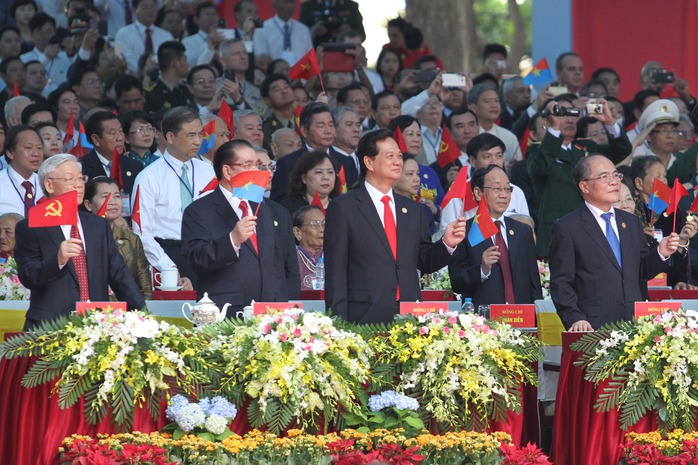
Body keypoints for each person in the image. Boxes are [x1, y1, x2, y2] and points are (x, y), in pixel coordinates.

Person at [324, 130, 466, 324]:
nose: (398, 161)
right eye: (390, 156)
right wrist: (337, 322)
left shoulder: (412, 209)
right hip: (364, 315)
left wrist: (447, 243)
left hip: (410, 316)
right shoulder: (344, 207)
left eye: (399, 156)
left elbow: (424, 261)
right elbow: (336, 271)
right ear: (369, 162)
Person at [14, 154, 145, 330]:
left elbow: (119, 274)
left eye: (81, 178)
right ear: (49, 185)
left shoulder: (98, 225)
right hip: (51, 325)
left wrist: (142, 315)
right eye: (70, 179)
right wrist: (57, 260)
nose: (78, 184)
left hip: (97, 323)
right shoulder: (31, 226)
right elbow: (28, 276)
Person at [549, 155, 677, 331]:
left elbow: (641, 271)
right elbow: (561, 283)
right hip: (593, 328)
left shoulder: (631, 222)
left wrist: (661, 253)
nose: (614, 182)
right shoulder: (568, 227)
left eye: (616, 175)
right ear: (584, 186)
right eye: (604, 177)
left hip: (634, 327)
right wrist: (574, 317)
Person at [181, 139, 287, 312]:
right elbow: (196, 259)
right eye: (248, 165)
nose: (255, 171)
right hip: (226, 309)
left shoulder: (262, 208)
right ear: (227, 171)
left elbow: (274, 262)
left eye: (257, 165)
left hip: (268, 310)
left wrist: (281, 305)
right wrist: (233, 240)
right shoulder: (199, 210)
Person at [527, 96, 632, 257]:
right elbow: (541, 168)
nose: (568, 118)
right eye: (560, 113)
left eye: (572, 113)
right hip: (557, 235)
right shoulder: (537, 152)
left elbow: (621, 151)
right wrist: (554, 129)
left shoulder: (586, 148)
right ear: (547, 120)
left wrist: (610, 123)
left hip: (591, 230)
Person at [132, 106, 214, 288]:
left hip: (207, 252)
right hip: (170, 253)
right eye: (191, 135)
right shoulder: (148, 177)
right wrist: (167, 267)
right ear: (170, 137)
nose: (198, 141)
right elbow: (141, 232)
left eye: (200, 134)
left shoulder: (210, 172)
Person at [449, 165, 542, 309]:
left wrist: (538, 317)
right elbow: (457, 282)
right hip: (484, 323)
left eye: (507, 189)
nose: (504, 195)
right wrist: (482, 269)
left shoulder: (523, 231)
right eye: (497, 189)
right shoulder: (464, 232)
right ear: (478, 193)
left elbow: (534, 283)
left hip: (522, 319)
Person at [440, 133, 530, 232]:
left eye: (499, 156)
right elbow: (447, 233)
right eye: (487, 157)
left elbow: (526, 229)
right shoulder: (458, 192)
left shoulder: (516, 191)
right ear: (473, 161)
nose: (494, 162)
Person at [630, 155, 695, 290]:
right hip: (636, 283)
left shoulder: (672, 211)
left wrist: (680, 280)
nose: (663, 181)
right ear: (639, 183)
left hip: (667, 284)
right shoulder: (628, 210)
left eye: (664, 176)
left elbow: (682, 256)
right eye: (657, 176)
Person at [83, 176, 153, 299]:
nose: (113, 202)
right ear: (88, 205)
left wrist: (142, 316)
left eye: (117, 196)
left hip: (125, 312)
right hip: (89, 311)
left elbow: (145, 288)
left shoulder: (131, 239)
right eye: (105, 196)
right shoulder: (79, 237)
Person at [271, 102, 358, 201]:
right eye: (321, 126)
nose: (328, 131)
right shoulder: (288, 163)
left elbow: (354, 198)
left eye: (331, 125)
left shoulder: (346, 161)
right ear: (304, 131)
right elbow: (279, 203)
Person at [255, 146, 300, 298]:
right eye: (261, 167)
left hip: (276, 300)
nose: (269, 174)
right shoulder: (235, 208)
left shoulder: (280, 212)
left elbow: (290, 266)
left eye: (271, 167)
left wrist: (289, 304)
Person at [82, 111, 143, 197]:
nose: (120, 138)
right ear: (96, 139)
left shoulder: (134, 166)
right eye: (112, 133)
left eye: (121, 131)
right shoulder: (81, 168)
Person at [114, 0, 174, 76]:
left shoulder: (167, 35)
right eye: (145, 7)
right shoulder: (122, 33)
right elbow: (118, 57)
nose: (150, 10)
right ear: (135, 9)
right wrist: (145, 71)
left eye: (153, 7)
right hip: (132, 80)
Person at [252, 0, 313, 68]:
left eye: (292, 2)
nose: (290, 6)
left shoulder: (303, 30)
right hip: (273, 75)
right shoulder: (262, 29)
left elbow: (309, 59)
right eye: (286, 2)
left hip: (300, 75)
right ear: (274, 4)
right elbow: (261, 58)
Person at [0, 125, 44, 216]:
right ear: (10, 153)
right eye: (28, 147)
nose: (36, 154)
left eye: (39, 148)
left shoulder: (47, 183)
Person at [281, 150, 339, 215]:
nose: (326, 177)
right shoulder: (288, 207)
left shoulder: (341, 205)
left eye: (330, 172)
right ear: (304, 178)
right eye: (319, 172)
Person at [144, 41, 194, 113]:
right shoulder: (151, 93)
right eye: (185, 60)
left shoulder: (185, 91)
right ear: (176, 63)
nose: (188, 65)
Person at [393, 154, 436, 234]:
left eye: (418, 174)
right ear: (394, 177)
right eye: (410, 174)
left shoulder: (424, 211)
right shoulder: (386, 209)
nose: (416, 179)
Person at [292, 205, 324, 291]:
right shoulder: (291, 258)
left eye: (324, 224)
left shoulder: (334, 255)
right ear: (297, 232)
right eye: (315, 224)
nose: (322, 229)